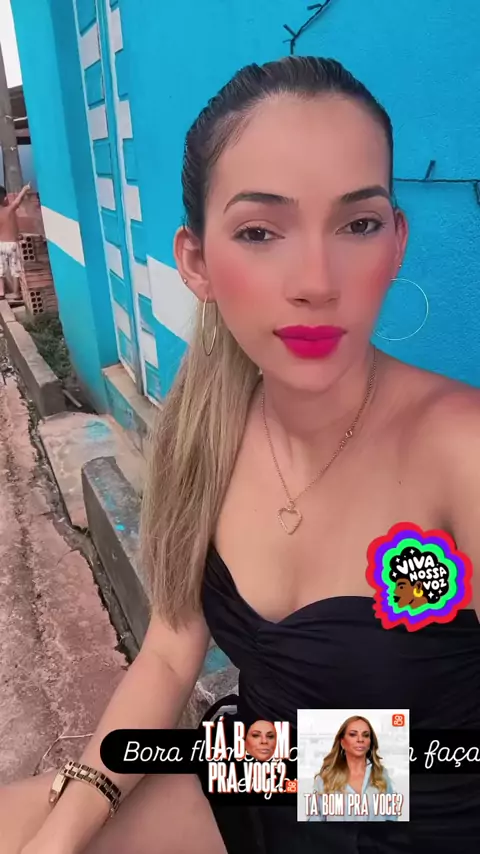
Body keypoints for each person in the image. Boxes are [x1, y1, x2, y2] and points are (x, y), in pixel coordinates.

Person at [0, 55, 479, 854]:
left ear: (396, 243)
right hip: (264, 779)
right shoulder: (209, 425)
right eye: (260, 232)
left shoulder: (461, 451)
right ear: (197, 263)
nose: (316, 281)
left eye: (357, 224)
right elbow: (169, 652)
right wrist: (71, 822)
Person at [308, 716, 399, 822]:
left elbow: (391, 819)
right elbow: (314, 822)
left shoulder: (381, 776)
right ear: (342, 742)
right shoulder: (325, 779)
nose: (360, 739)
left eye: (365, 735)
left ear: (370, 742)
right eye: (353, 734)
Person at [0, 182, 30, 301]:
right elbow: (18, 200)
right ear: (5, 198)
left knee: (0, 270)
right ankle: (16, 293)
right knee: (15, 269)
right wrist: (25, 189)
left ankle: (1, 293)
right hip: (12, 244)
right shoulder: (9, 210)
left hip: (0, 245)